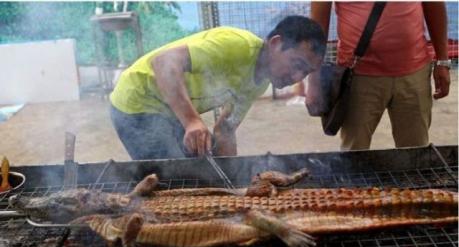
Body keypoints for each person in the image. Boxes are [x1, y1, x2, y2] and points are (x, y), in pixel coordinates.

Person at [110, 15, 326, 160]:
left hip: (168, 111)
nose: (297, 77)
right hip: (137, 101)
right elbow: (163, 62)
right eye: (298, 64)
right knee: (173, 182)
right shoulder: (236, 45)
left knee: (201, 172)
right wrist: (193, 121)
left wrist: (233, 180)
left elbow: (226, 129)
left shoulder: (259, 81)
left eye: (306, 73)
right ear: (276, 44)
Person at [306, 2, 451, 150]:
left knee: (415, 153)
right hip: (357, 77)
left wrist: (443, 61)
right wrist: (313, 80)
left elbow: (434, 5)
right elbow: (318, 25)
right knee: (354, 155)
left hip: (414, 73)